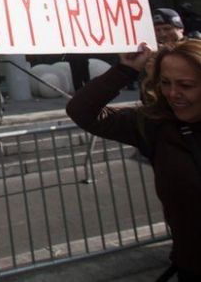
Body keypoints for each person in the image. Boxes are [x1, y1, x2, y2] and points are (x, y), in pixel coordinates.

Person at [66, 40, 201, 281]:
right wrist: (125, 69)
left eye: (186, 85)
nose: (173, 93)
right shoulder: (155, 125)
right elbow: (81, 110)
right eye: (165, 83)